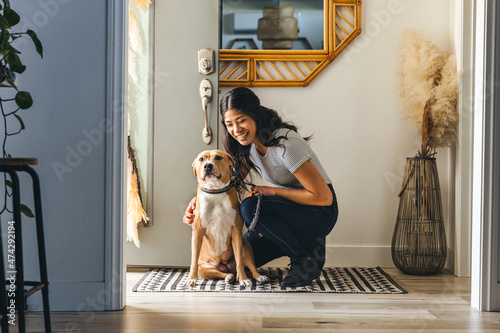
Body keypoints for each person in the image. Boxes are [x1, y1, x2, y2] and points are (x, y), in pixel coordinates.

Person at [183, 87, 338, 287]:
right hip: (289, 212)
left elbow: (324, 198)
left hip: (319, 213)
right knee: (233, 261)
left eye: (241, 120)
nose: (236, 129)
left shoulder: (286, 144)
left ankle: (304, 259)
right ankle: (307, 246)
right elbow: (227, 184)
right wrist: (198, 203)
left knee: (250, 206)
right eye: (229, 124)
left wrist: (272, 190)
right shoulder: (248, 146)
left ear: (255, 115)